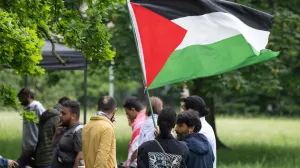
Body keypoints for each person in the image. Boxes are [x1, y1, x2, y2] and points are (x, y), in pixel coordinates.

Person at [82, 96, 118, 168]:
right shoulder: (107, 128)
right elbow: (102, 157)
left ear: (97, 107)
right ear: (114, 111)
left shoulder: (86, 126)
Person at [182, 96, 217, 168]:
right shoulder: (204, 126)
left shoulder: (201, 130)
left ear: (190, 111)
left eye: (184, 110)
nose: (182, 112)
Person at [17, 88, 46, 168]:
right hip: (27, 147)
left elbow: (46, 121)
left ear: (28, 96)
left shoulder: (37, 107)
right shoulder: (26, 108)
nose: (20, 99)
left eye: (21, 97)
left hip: (35, 146)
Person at [52, 100, 83, 168]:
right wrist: (56, 134)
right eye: (61, 113)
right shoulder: (64, 127)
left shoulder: (79, 131)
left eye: (63, 114)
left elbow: (81, 156)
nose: (60, 115)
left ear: (73, 116)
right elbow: (53, 145)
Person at [121, 97, 147, 168]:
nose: (127, 115)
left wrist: (128, 163)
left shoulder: (139, 123)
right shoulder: (146, 116)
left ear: (132, 110)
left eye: (127, 113)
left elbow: (135, 147)